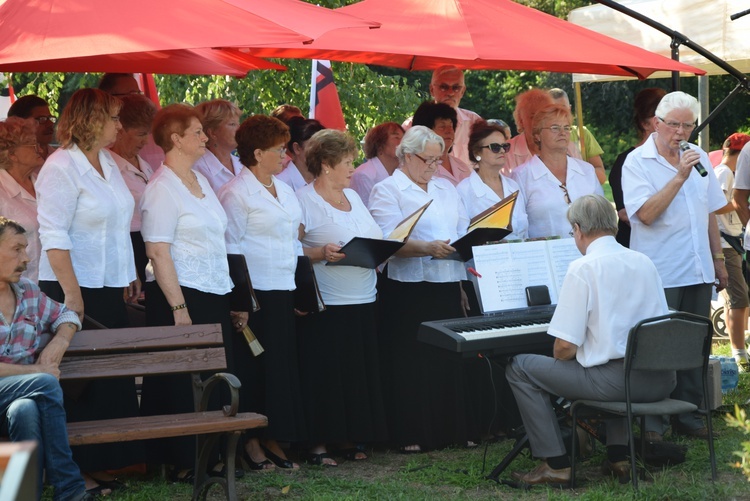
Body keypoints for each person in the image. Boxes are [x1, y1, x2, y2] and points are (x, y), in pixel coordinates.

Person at [506, 195, 673, 486]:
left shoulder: (583, 267)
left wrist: (586, 346)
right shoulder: (644, 261)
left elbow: (564, 349)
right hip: (661, 379)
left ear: (578, 229)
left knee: (519, 366)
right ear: (613, 227)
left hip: (619, 383)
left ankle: (556, 464)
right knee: (611, 356)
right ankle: (619, 457)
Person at [35, 87, 142, 492]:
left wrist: (128, 272)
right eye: (113, 117)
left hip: (107, 282)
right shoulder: (61, 166)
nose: (119, 125)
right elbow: (53, 236)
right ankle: (73, 468)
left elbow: (118, 224)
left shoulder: (109, 163)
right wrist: (72, 295)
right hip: (69, 284)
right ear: (91, 119)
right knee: (77, 380)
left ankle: (101, 462)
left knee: (105, 377)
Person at [139, 104, 246, 477]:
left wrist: (230, 296)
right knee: (183, 381)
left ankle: (210, 454)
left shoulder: (199, 180)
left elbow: (216, 240)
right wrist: (178, 307)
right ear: (176, 139)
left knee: (214, 376)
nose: (205, 138)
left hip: (211, 291)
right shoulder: (161, 187)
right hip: (180, 294)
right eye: (197, 132)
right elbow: (157, 250)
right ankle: (183, 461)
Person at [622, 91, 728, 441]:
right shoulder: (637, 162)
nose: (680, 133)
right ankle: (656, 420)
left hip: (698, 268)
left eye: (688, 125)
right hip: (661, 271)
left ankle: (690, 412)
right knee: (659, 345)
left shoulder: (698, 161)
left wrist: (719, 259)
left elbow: (709, 212)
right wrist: (679, 177)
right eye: (674, 125)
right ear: (656, 123)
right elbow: (646, 216)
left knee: (696, 342)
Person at [369, 126, 476, 453]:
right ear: (405, 155)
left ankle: (452, 429)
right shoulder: (388, 190)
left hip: (446, 282)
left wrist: (460, 272)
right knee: (412, 361)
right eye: (426, 159)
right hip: (409, 287)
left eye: (437, 159)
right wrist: (426, 247)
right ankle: (413, 432)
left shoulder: (446, 189)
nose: (433, 166)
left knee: (448, 358)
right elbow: (387, 241)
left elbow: (461, 232)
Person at [217, 114, 306, 471]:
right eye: (278, 150)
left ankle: (274, 436)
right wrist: (240, 302)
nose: (285, 156)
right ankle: (251, 442)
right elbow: (232, 249)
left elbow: (295, 241)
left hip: (284, 287)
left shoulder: (284, 189)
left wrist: (303, 292)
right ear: (256, 152)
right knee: (255, 368)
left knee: (281, 368)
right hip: (254, 295)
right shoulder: (235, 193)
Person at [296, 129, 388, 466]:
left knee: (354, 372)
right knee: (327, 373)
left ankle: (350, 436)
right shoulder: (304, 200)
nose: (353, 167)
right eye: (346, 161)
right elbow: (290, 249)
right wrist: (320, 252)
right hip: (328, 302)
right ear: (324, 164)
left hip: (363, 297)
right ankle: (319, 443)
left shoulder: (355, 198)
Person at [0, 217, 92, 501]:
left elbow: (66, 314)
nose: (25, 258)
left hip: (20, 395)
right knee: (46, 382)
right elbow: (41, 376)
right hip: (32, 383)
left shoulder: (28, 292)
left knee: (25, 410)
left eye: (26, 250)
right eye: (17, 249)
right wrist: (37, 371)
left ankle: (21, 496)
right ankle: (69, 488)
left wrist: (60, 341)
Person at [510, 104, 603, 239]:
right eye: (555, 128)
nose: (562, 132)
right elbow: (517, 228)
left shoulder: (586, 170)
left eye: (566, 128)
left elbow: (601, 216)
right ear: (537, 136)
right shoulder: (521, 176)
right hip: (545, 256)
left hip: (588, 254)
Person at [108, 93, 158, 286]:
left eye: (148, 133)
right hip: (127, 243)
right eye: (140, 134)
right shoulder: (108, 165)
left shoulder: (143, 163)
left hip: (149, 242)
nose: (146, 141)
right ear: (120, 130)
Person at [609, 88, 666, 247]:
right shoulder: (626, 161)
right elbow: (626, 214)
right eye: (661, 119)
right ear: (645, 124)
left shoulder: (679, 158)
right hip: (637, 248)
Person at [457, 119, 529, 241]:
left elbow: (524, 233)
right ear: (476, 153)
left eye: (505, 146)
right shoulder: (463, 190)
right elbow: (461, 237)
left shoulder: (513, 186)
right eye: (495, 147)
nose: (502, 151)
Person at [717, 133, 750, 372]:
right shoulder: (725, 172)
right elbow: (716, 204)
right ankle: (739, 355)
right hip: (725, 244)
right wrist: (740, 204)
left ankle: (741, 348)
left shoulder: (730, 173)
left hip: (734, 242)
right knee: (738, 299)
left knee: (740, 298)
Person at [402, 65, 482, 165]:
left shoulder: (475, 123)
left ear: (462, 91)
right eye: (444, 87)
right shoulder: (412, 126)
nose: (450, 93)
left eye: (456, 88)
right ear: (431, 90)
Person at [0, 118, 44, 282]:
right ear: (11, 154)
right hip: (17, 286)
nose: (39, 149)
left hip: (55, 283)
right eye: (32, 145)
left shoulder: (44, 182)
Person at [505, 89, 582, 175]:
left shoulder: (568, 147)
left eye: (544, 117)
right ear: (521, 121)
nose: (538, 122)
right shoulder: (506, 152)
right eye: (532, 117)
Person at [98, 73, 165, 170]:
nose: (138, 98)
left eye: (139, 93)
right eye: (132, 94)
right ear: (108, 97)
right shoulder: (97, 141)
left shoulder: (155, 134)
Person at [549, 88, 605, 184]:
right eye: (553, 109)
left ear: (569, 108)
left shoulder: (582, 133)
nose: (559, 113)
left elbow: (601, 175)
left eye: (563, 108)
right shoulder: (542, 136)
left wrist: (577, 177)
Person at [412, 101, 472, 186]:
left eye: (451, 126)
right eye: (442, 127)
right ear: (425, 131)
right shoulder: (417, 167)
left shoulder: (462, 166)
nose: (449, 131)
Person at [193, 99, 243, 193]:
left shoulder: (242, 164)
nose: (239, 129)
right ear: (212, 132)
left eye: (238, 124)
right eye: (232, 124)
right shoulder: (197, 169)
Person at [350, 122, 404, 207]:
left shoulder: (403, 172)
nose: (403, 142)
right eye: (396, 137)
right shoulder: (364, 175)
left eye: (405, 138)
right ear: (380, 145)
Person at [276, 117, 325, 191]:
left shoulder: (328, 181)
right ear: (297, 148)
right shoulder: (279, 186)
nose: (321, 151)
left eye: (324, 146)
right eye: (314, 146)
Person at [7, 95, 57, 162]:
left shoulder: (59, 157)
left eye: (50, 118)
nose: (50, 124)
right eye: (42, 119)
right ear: (19, 124)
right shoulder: (8, 163)